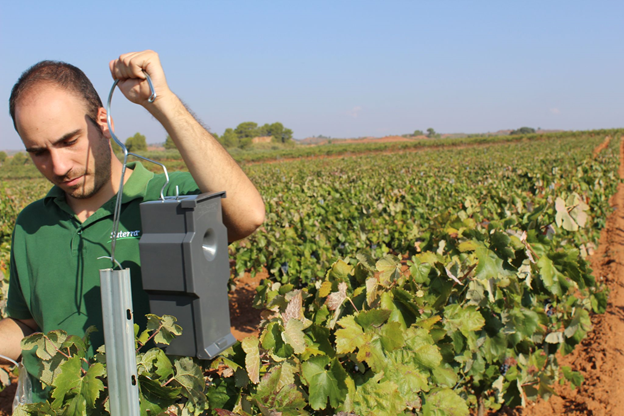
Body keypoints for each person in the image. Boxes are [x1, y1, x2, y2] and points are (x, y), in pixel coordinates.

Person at [0, 50, 266, 401]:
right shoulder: (32, 224)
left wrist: (163, 102)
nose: (59, 166)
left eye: (69, 141)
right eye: (39, 152)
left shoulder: (166, 198)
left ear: (103, 121)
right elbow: (29, 325)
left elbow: (249, 215)